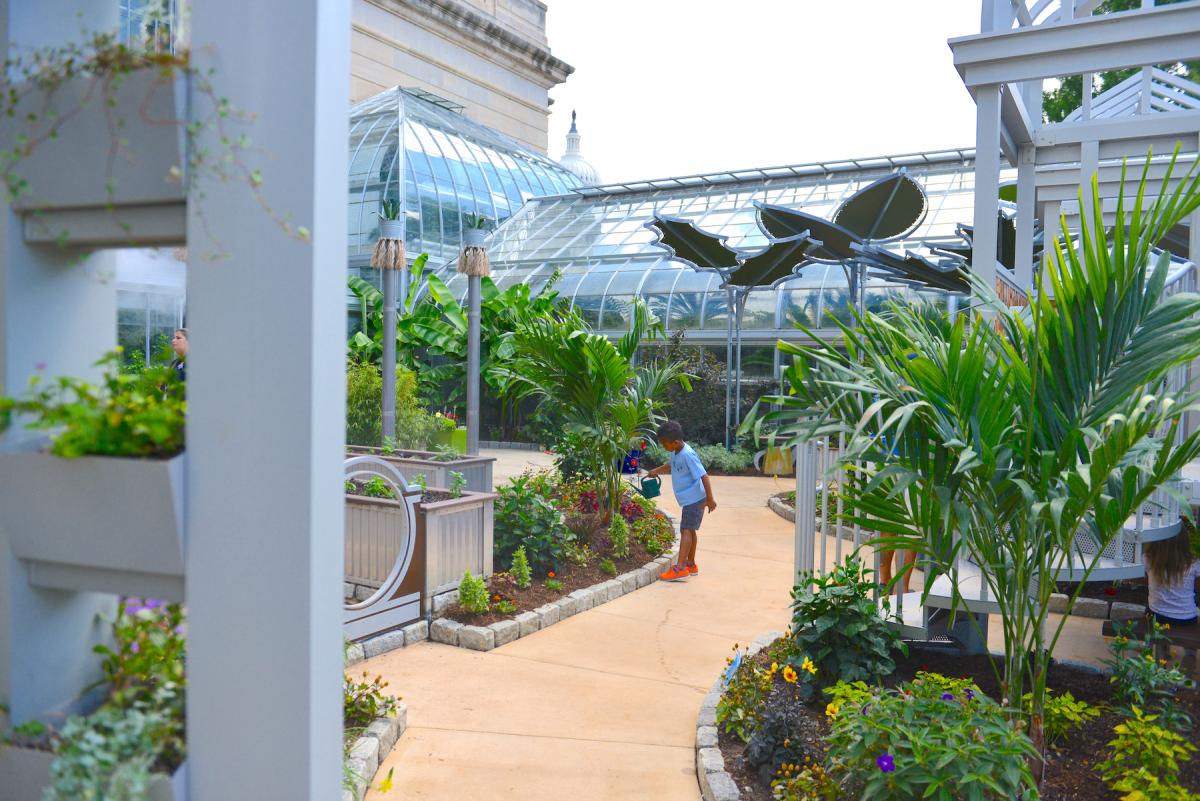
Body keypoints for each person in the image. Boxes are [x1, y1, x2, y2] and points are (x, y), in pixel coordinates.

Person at [644, 420, 717, 581]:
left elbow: (704, 475)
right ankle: (690, 563)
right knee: (690, 530)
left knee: (685, 530)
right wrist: (656, 471)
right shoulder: (676, 451)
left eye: (665, 444)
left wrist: (710, 499)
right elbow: (671, 465)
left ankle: (681, 567)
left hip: (696, 499)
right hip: (690, 499)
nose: (664, 447)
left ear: (675, 442)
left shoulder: (688, 455)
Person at [1144, 529, 1200, 627]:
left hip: (1156, 616)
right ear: (1185, 541)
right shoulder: (1193, 563)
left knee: (1149, 609)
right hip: (1186, 619)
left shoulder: (1149, 558)